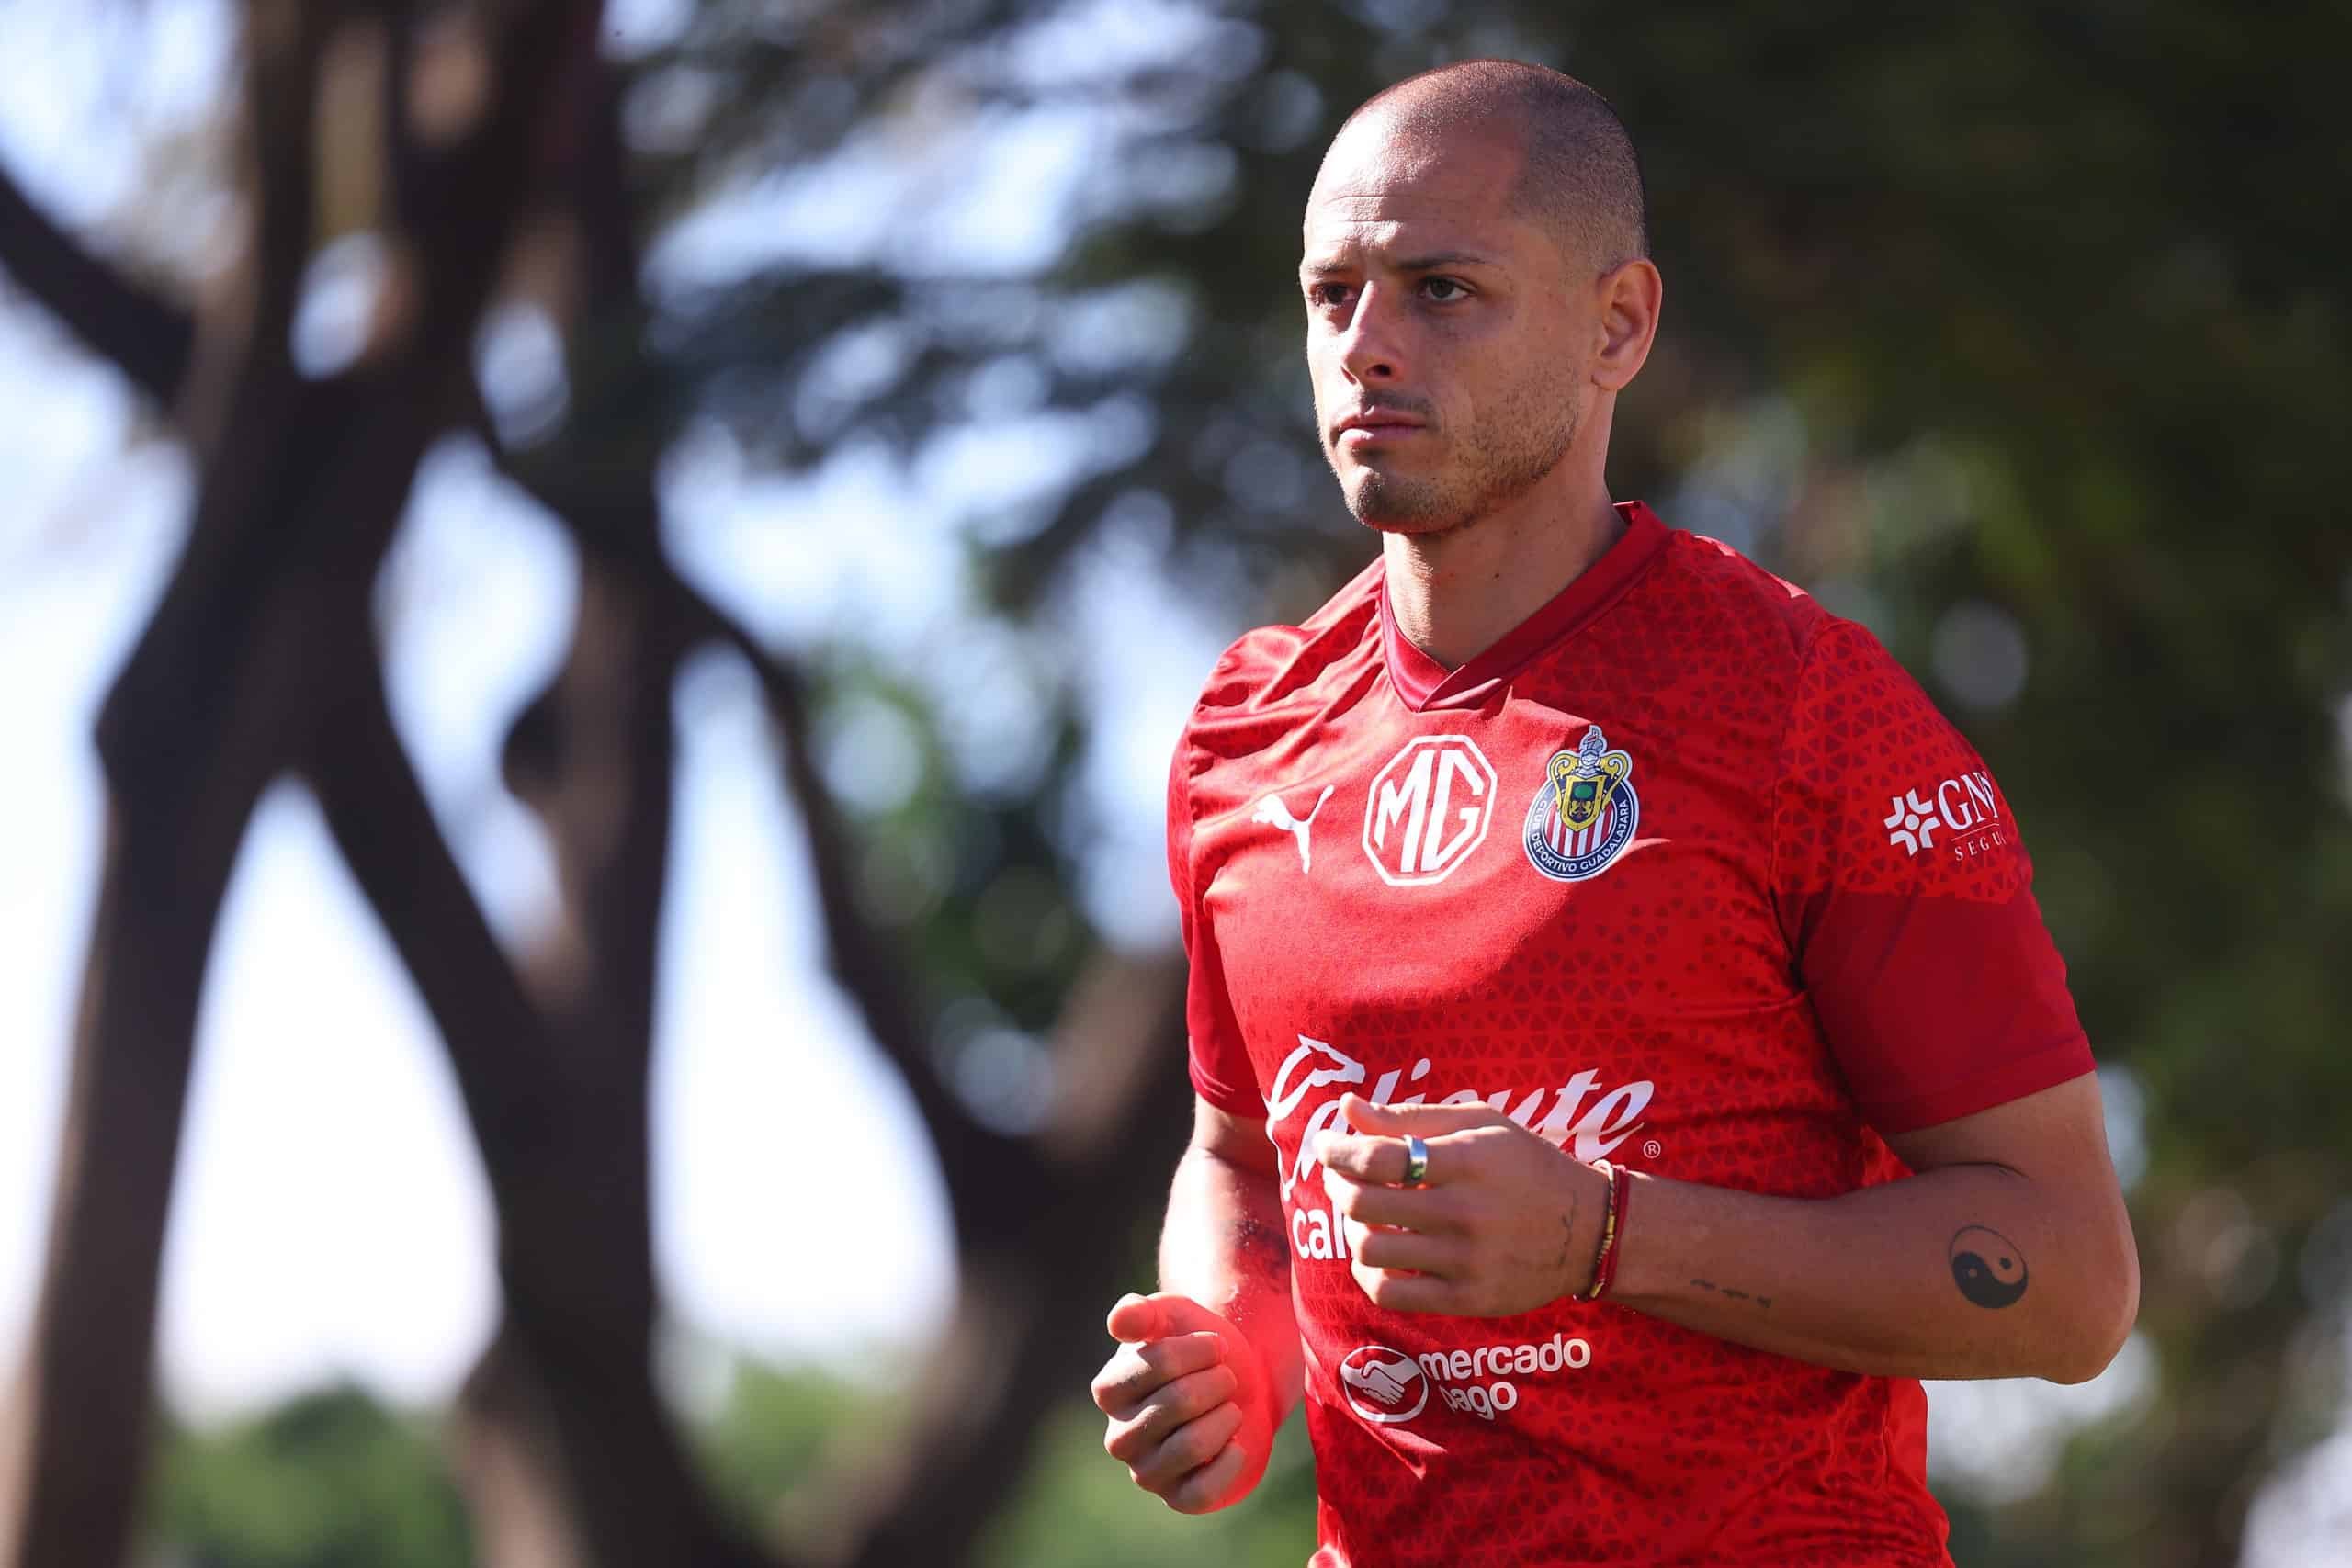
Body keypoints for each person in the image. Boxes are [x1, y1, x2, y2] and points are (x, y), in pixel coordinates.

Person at [1087, 57, 2141, 1568]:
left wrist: (1600, 1236)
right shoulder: (1245, 733)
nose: (1365, 349)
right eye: (1332, 298)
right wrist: (1228, 1354)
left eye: (1441, 289)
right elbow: (1245, 1160)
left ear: (1618, 325)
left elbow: (2068, 1285)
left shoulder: (1804, 715)